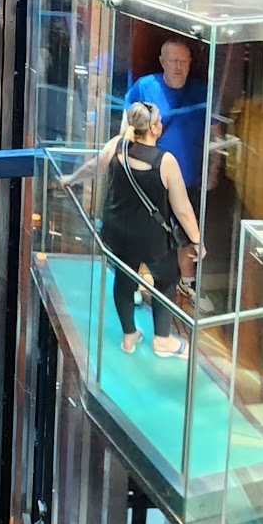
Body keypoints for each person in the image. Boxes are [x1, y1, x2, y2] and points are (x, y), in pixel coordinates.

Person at [89, 101, 202, 358]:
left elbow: (93, 167)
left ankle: (129, 336)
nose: (161, 124)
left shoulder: (117, 146)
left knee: (124, 280)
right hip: (151, 239)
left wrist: (70, 180)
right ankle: (162, 341)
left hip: (117, 232)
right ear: (152, 128)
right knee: (165, 280)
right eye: (159, 121)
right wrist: (196, 240)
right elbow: (182, 208)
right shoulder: (165, 161)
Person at [123, 36, 209, 198]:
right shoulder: (144, 86)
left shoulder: (202, 92)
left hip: (189, 182)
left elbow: (215, 134)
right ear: (162, 62)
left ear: (190, 62)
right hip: (151, 179)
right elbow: (127, 128)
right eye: (173, 61)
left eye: (183, 61)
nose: (178, 67)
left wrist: (212, 172)